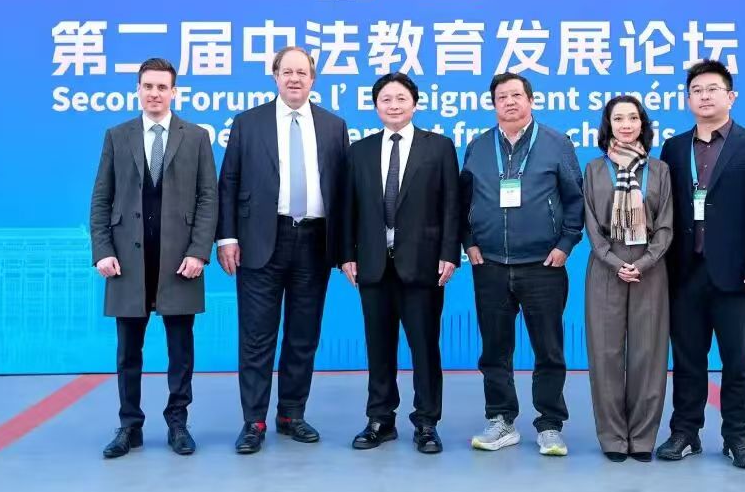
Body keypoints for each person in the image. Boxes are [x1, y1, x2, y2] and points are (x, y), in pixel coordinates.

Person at [216, 47, 350, 454]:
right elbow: (228, 183)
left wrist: (345, 247)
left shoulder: (334, 126)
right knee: (257, 336)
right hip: (260, 240)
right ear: (275, 76)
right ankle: (254, 420)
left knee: (303, 335)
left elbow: (344, 192)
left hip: (314, 241)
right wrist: (227, 238)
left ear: (313, 79)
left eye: (302, 73)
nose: (294, 79)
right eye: (287, 72)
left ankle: (292, 414)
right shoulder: (248, 123)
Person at [655, 59, 745, 470]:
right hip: (684, 273)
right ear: (688, 99)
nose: (704, 96)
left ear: (731, 97)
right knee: (687, 360)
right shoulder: (674, 148)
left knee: (739, 361)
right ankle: (685, 432)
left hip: (738, 275)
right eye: (696, 90)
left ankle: (737, 437)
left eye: (712, 89)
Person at [90, 57, 218, 459]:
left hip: (179, 261)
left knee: (180, 350)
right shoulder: (117, 136)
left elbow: (208, 198)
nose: (155, 93)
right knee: (128, 351)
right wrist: (102, 251)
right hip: (127, 262)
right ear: (138, 90)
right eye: (148, 86)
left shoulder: (196, 137)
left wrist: (199, 252)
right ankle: (129, 425)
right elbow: (101, 197)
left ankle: (178, 423)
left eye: (162, 87)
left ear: (174, 92)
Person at [460, 72, 585, 456]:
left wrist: (565, 244)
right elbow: (462, 202)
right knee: (495, 350)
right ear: (493, 104)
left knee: (549, 349)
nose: (510, 102)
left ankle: (550, 424)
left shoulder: (556, 143)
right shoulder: (479, 146)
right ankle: (501, 419)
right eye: (502, 97)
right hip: (490, 265)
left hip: (543, 265)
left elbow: (575, 199)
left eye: (517, 95)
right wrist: (469, 242)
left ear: (531, 100)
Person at [341, 73, 461, 454]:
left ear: (414, 103)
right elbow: (348, 207)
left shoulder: (438, 147)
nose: (393, 105)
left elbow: (451, 205)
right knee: (378, 346)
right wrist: (347, 255)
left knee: (424, 347)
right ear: (376, 106)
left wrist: (449, 253)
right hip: (373, 265)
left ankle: (426, 422)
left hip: (423, 265)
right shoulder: (360, 151)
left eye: (400, 98)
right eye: (386, 99)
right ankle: (380, 418)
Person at [583, 95, 673, 463]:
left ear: (642, 124)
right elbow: (591, 224)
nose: (625, 125)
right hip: (606, 267)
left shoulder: (659, 170)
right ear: (608, 125)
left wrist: (646, 261)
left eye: (632, 118)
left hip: (650, 269)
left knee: (647, 355)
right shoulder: (594, 169)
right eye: (618, 118)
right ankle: (613, 438)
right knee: (605, 355)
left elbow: (665, 225)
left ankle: (643, 437)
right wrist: (613, 260)